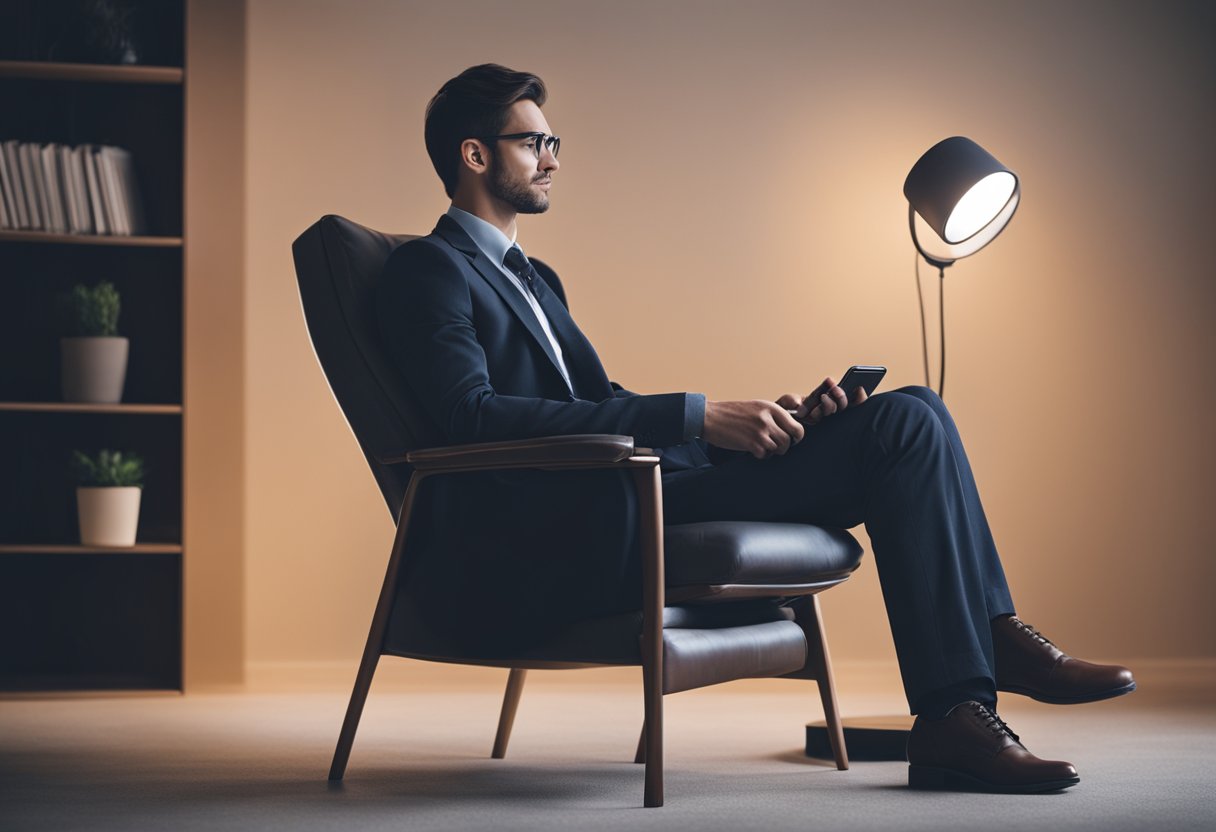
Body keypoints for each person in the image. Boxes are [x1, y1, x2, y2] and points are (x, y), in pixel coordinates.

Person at [376, 63, 1136, 794]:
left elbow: (594, 397)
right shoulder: (430, 271)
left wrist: (758, 425)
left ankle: (987, 646)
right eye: (533, 143)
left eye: (554, 143)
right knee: (904, 422)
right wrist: (696, 413)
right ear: (475, 155)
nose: (552, 160)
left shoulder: (536, 279)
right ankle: (958, 708)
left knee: (912, 410)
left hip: (649, 481)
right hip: (580, 516)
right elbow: (470, 417)